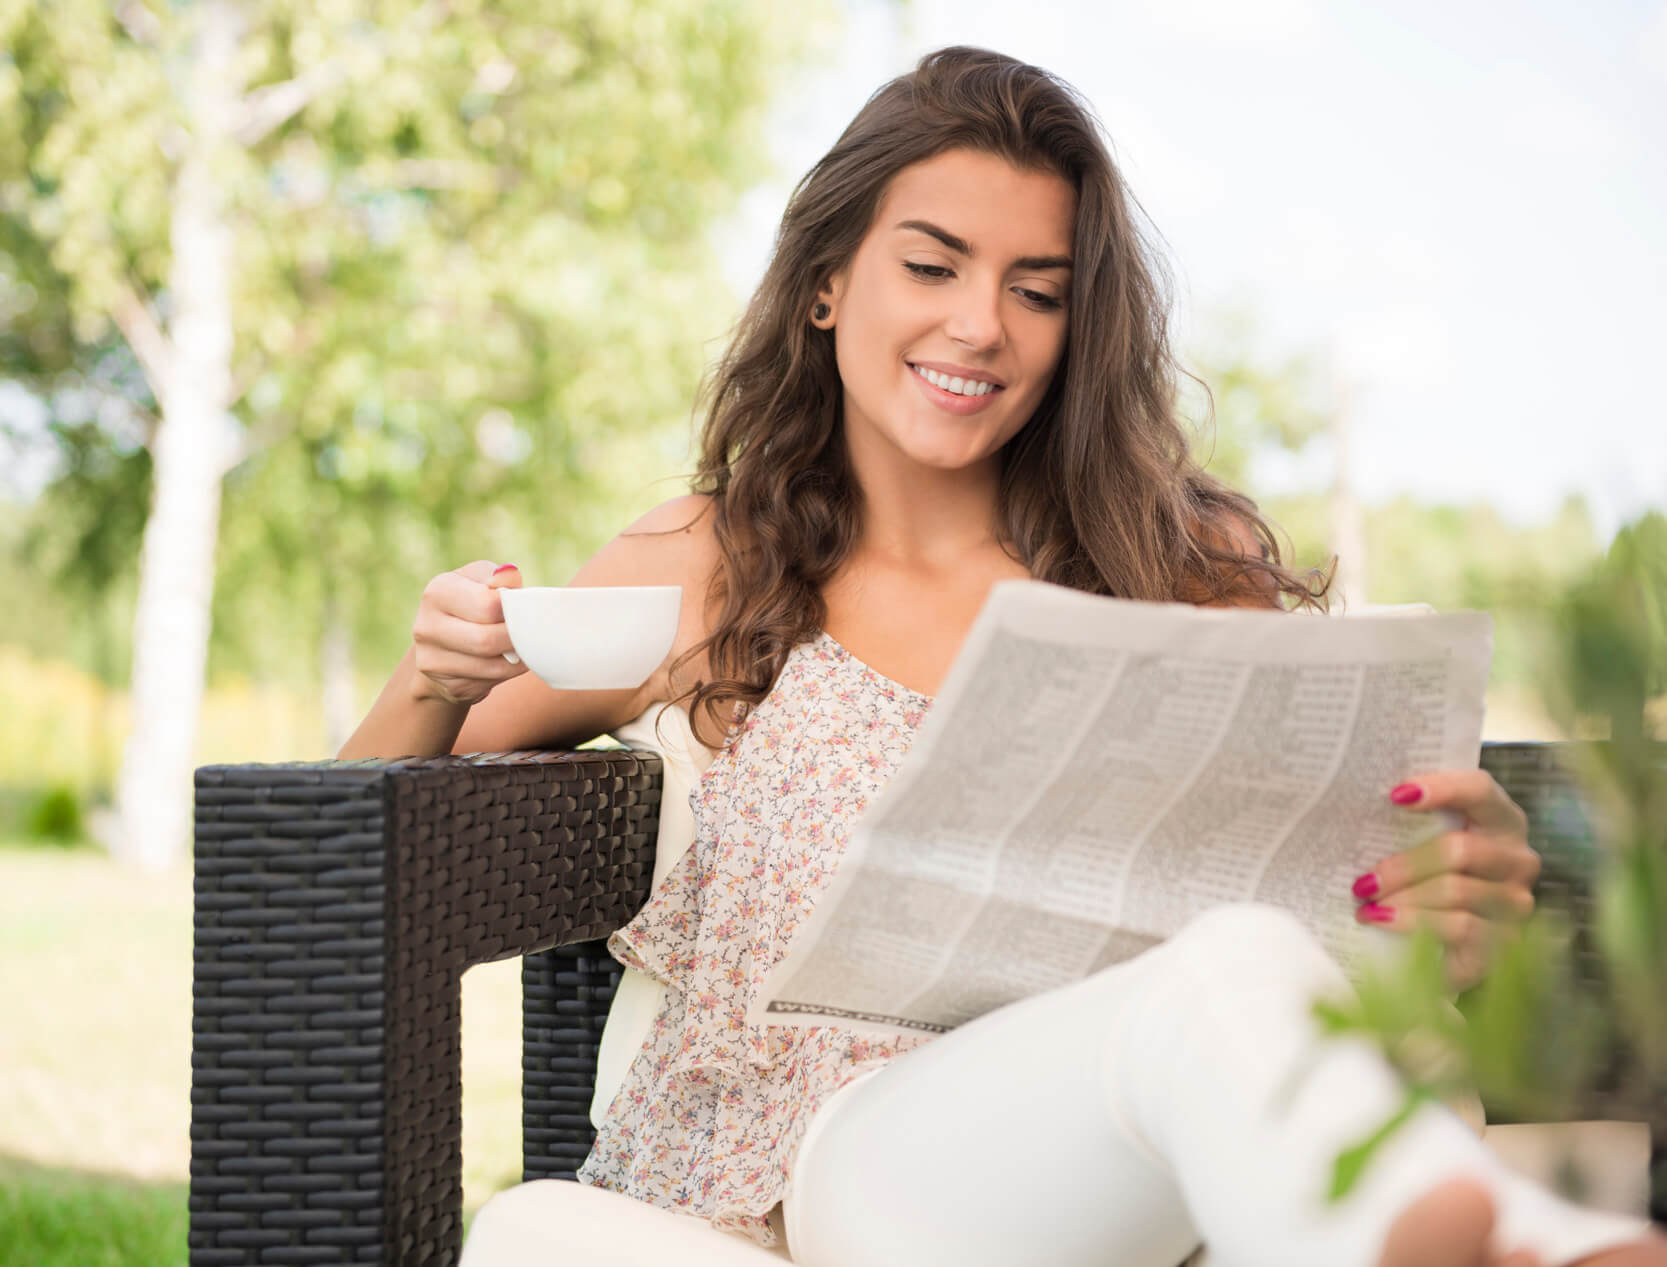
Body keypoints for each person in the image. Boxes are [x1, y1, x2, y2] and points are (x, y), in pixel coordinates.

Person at [338, 45, 1664, 1267]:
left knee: (1236, 967)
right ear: (826, 283)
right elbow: (339, 842)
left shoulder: (1177, 578)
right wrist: (433, 677)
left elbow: (1342, 945)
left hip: (1102, 1178)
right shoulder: (710, 563)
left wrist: (1454, 898)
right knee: (534, 1241)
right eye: (933, 266)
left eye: (1038, 292)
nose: (982, 326)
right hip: (816, 1185)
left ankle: (1512, 1251)